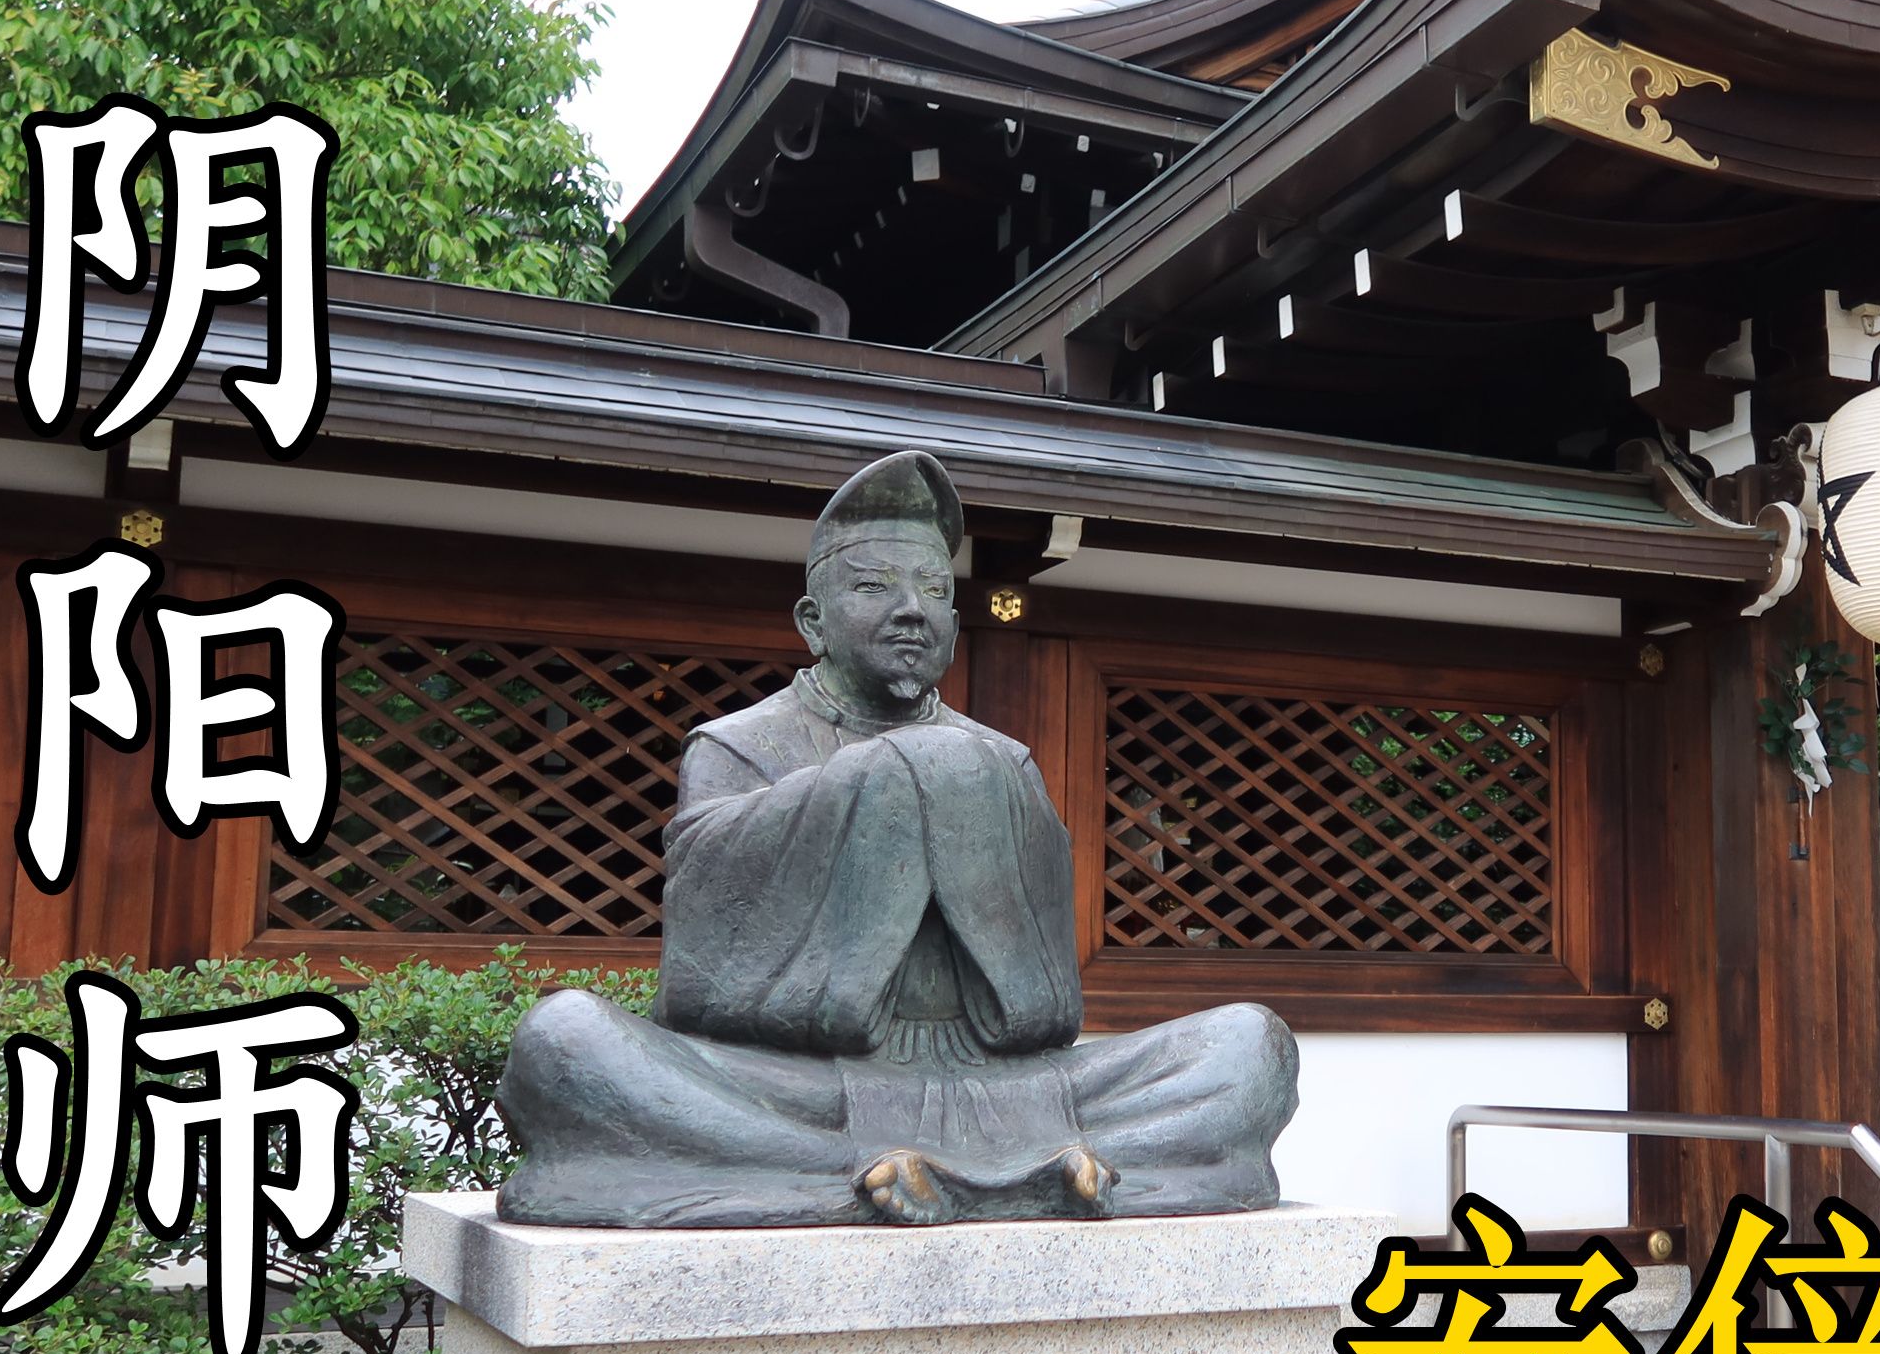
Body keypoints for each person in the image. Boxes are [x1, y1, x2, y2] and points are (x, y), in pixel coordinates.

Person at [495, 449, 1298, 1228]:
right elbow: (708, 984)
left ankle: (898, 1173)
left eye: (933, 589)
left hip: (1007, 1084)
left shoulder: (1001, 761)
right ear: (814, 620)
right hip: (806, 1086)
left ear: (952, 620)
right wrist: (885, 784)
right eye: (875, 587)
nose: (911, 607)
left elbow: (1045, 1003)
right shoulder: (738, 747)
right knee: (564, 1042)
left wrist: (949, 787)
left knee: (1248, 1047)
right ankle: (988, 1173)